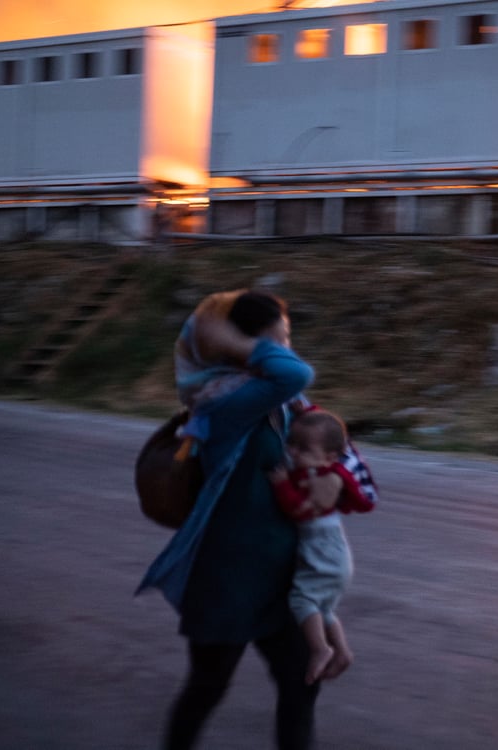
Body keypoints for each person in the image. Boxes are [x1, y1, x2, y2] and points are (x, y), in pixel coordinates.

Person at [137, 289, 331, 750]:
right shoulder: (226, 405)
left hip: (279, 574)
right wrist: (244, 347)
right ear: (242, 346)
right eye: (278, 338)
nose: (286, 347)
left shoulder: (280, 404)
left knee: (302, 680)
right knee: (208, 686)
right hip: (228, 577)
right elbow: (295, 371)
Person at [268, 408, 375, 686]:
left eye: (302, 448)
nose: (292, 452)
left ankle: (320, 649)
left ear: (329, 456)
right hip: (334, 555)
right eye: (291, 444)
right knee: (324, 610)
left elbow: (298, 510)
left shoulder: (317, 475)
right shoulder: (316, 468)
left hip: (324, 553)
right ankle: (342, 651)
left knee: (302, 601)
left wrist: (281, 485)